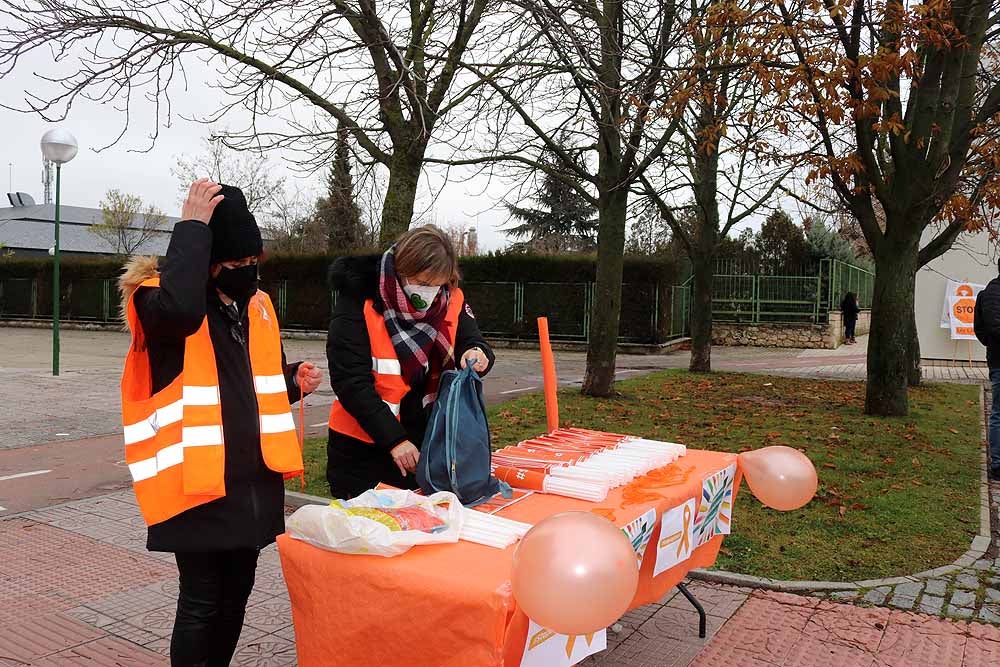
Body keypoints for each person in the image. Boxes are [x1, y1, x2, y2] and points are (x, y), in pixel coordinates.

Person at [118, 180, 323, 666]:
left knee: (236, 598)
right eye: (236, 266)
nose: (248, 275)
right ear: (208, 262)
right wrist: (191, 227)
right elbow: (183, 311)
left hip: (252, 483)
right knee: (201, 602)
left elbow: (252, 383)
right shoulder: (157, 301)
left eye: (254, 265)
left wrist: (292, 381)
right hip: (197, 484)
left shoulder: (255, 307)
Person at [325, 225, 495, 498]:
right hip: (364, 450)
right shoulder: (359, 300)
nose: (429, 293)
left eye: (438, 284)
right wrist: (395, 440)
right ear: (402, 270)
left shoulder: (449, 298)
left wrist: (476, 352)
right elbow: (350, 381)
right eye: (423, 283)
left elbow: (471, 338)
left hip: (427, 444)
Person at [975, 264, 1000, 482]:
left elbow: (981, 329)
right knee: (998, 414)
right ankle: (998, 464)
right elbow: (989, 327)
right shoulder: (992, 293)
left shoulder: (989, 292)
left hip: (996, 359)